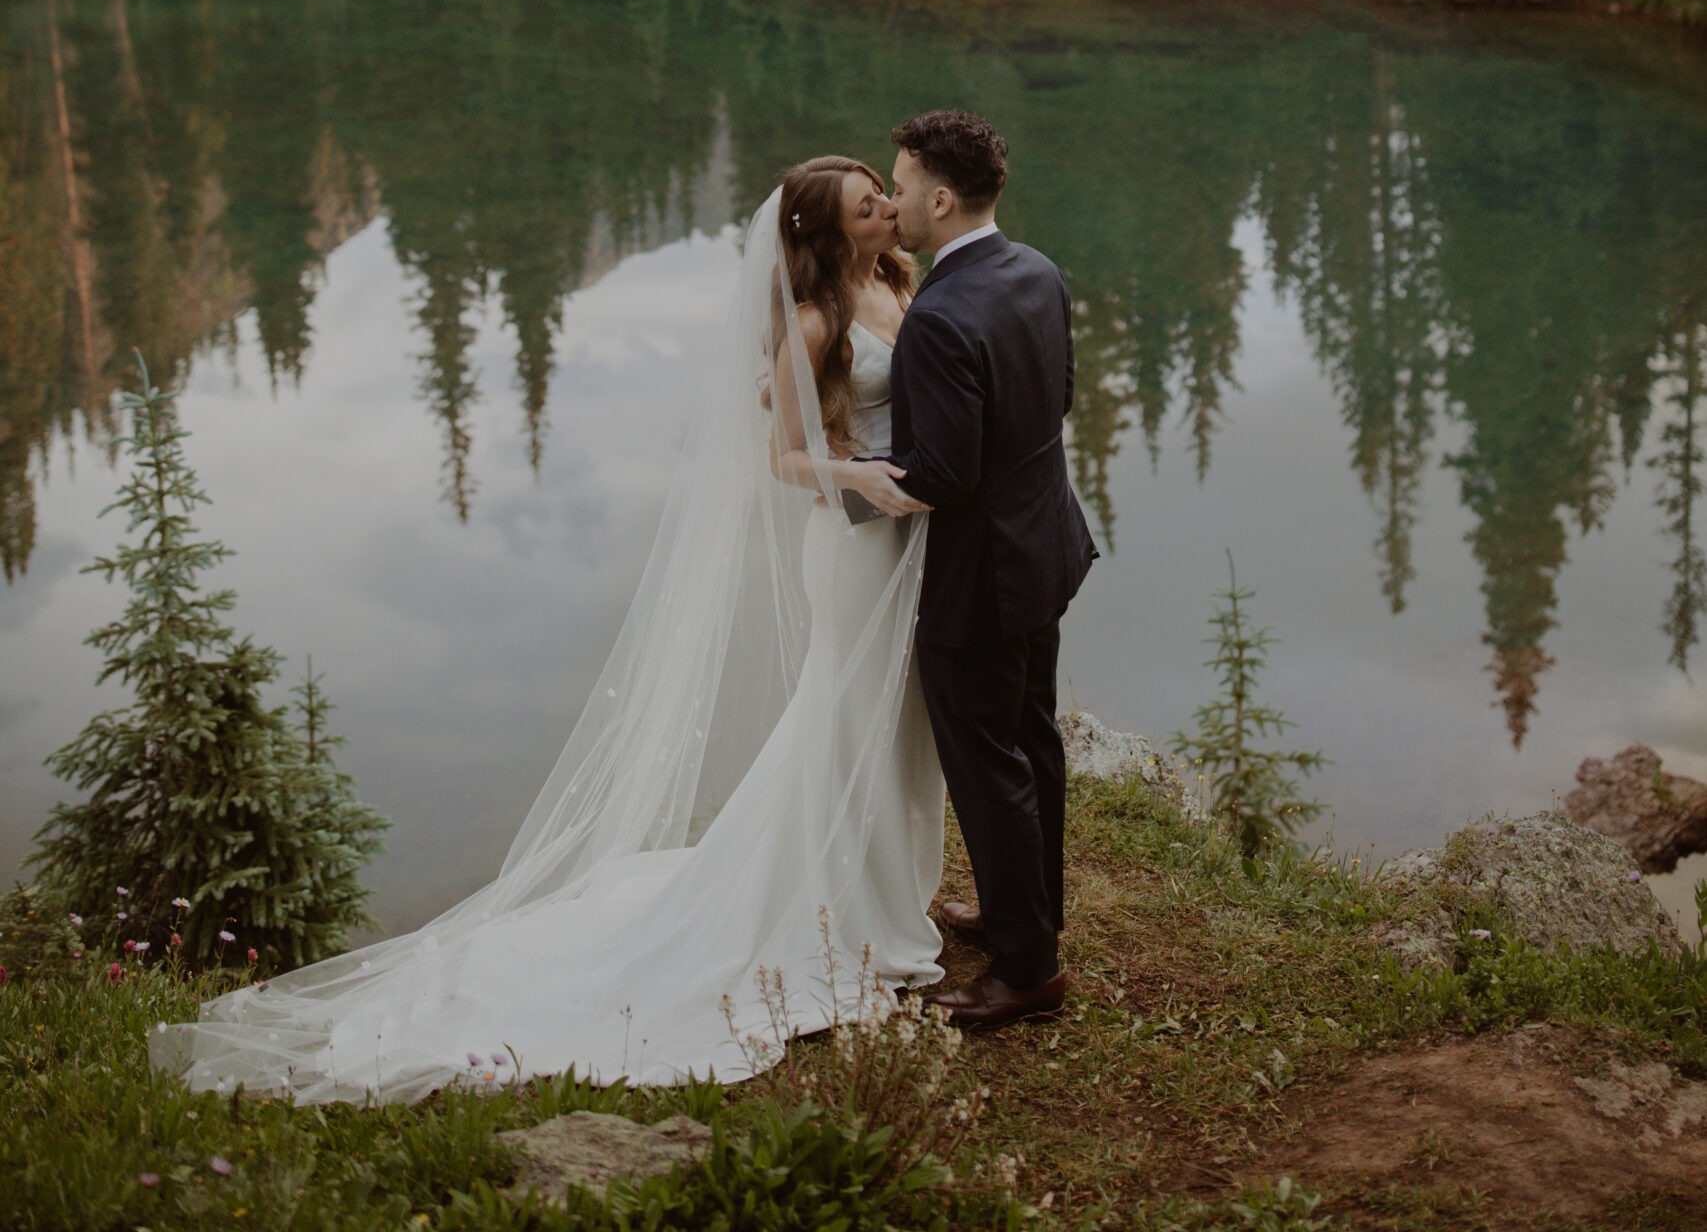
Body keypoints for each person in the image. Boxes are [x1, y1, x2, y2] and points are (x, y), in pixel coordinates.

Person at [152, 157, 944, 1102]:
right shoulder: (812, 322)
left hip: (906, 538)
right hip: (852, 547)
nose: (890, 210)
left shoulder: (895, 282)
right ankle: (847, 913)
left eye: (882, 196)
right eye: (869, 206)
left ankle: (881, 896)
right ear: (827, 235)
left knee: (893, 724)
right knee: (845, 718)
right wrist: (856, 478)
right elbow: (782, 455)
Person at [887, 109, 1098, 1031]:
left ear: (939, 197)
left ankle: (1026, 969)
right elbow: (1058, 398)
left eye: (898, 188)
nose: (892, 205)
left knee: (987, 763)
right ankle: (1026, 916)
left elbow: (941, 475)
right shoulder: (1036, 270)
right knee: (1031, 739)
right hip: (1044, 549)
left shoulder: (936, 316)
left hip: (978, 576)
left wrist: (842, 488)